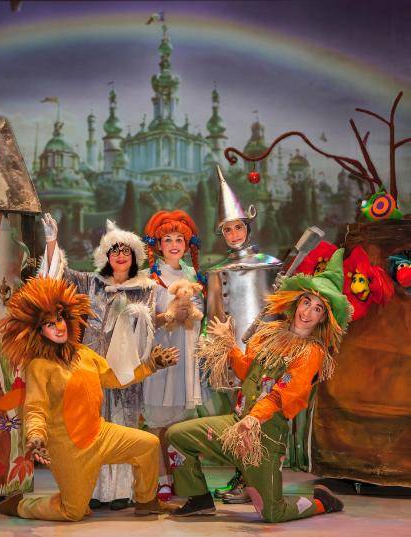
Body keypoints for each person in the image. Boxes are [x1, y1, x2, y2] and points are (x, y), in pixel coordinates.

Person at [167, 249, 352, 522]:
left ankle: (321, 503)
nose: (308, 312)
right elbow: (248, 372)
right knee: (177, 436)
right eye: (306, 302)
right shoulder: (270, 333)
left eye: (318, 309)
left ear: (324, 318)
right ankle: (199, 499)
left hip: (263, 438)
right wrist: (229, 345)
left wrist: (254, 419)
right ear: (296, 303)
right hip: (235, 425)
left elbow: (282, 394)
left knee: (272, 514)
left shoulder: (312, 353)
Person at [0, 277, 178, 521]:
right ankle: (20, 505)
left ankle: (147, 502)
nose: (59, 327)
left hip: (101, 435)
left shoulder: (84, 353)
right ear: (38, 331)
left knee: (148, 444)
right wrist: (36, 435)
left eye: (59, 319)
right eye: (49, 324)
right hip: (69, 448)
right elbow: (35, 407)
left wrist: (151, 365)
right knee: (73, 512)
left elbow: (114, 378)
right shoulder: (39, 365)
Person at [40, 215, 156, 511]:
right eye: (114, 250)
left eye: (126, 251)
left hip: (125, 372)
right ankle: (93, 489)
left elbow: (150, 327)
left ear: (134, 256)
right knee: (90, 428)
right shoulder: (90, 283)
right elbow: (58, 276)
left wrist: (137, 316)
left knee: (123, 426)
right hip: (91, 370)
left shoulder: (146, 288)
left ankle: (120, 492)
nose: (120, 255)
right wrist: (52, 241)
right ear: (106, 256)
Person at [205, 165, 281, 503]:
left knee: (262, 416)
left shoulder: (270, 264)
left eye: (238, 227)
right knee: (239, 417)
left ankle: (262, 480)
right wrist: (219, 353)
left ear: (248, 227)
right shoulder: (217, 271)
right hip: (236, 357)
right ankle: (244, 478)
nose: (234, 234)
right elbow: (215, 315)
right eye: (227, 229)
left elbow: (281, 310)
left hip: (267, 355)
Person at [142, 210, 205, 501]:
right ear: (158, 244)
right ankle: (162, 478)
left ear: (187, 244)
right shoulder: (149, 277)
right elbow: (143, 320)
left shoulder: (193, 276)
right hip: (161, 354)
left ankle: (182, 476)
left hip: (186, 355)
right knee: (158, 421)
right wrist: (166, 316)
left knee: (180, 424)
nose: (174, 245)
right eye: (168, 239)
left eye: (179, 239)